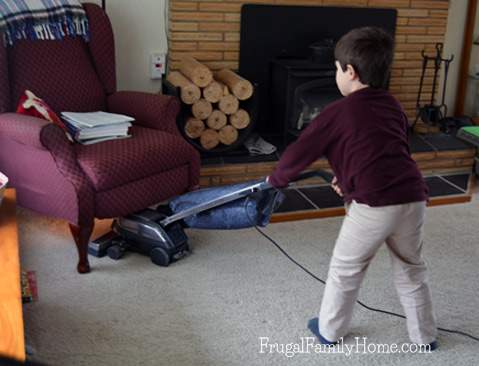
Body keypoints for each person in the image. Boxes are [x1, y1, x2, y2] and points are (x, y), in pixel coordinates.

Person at [267, 26, 438, 350]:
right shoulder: (392, 105)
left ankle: (329, 330)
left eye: (335, 68)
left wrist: (276, 180)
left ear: (350, 71)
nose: (335, 73)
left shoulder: (338, 111)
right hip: (413, 197)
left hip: (373, 205)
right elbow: (387, 150)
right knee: (411, 268)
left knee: (346, 269)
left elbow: (300, 152)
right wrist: (346, 178)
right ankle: (424, 336)